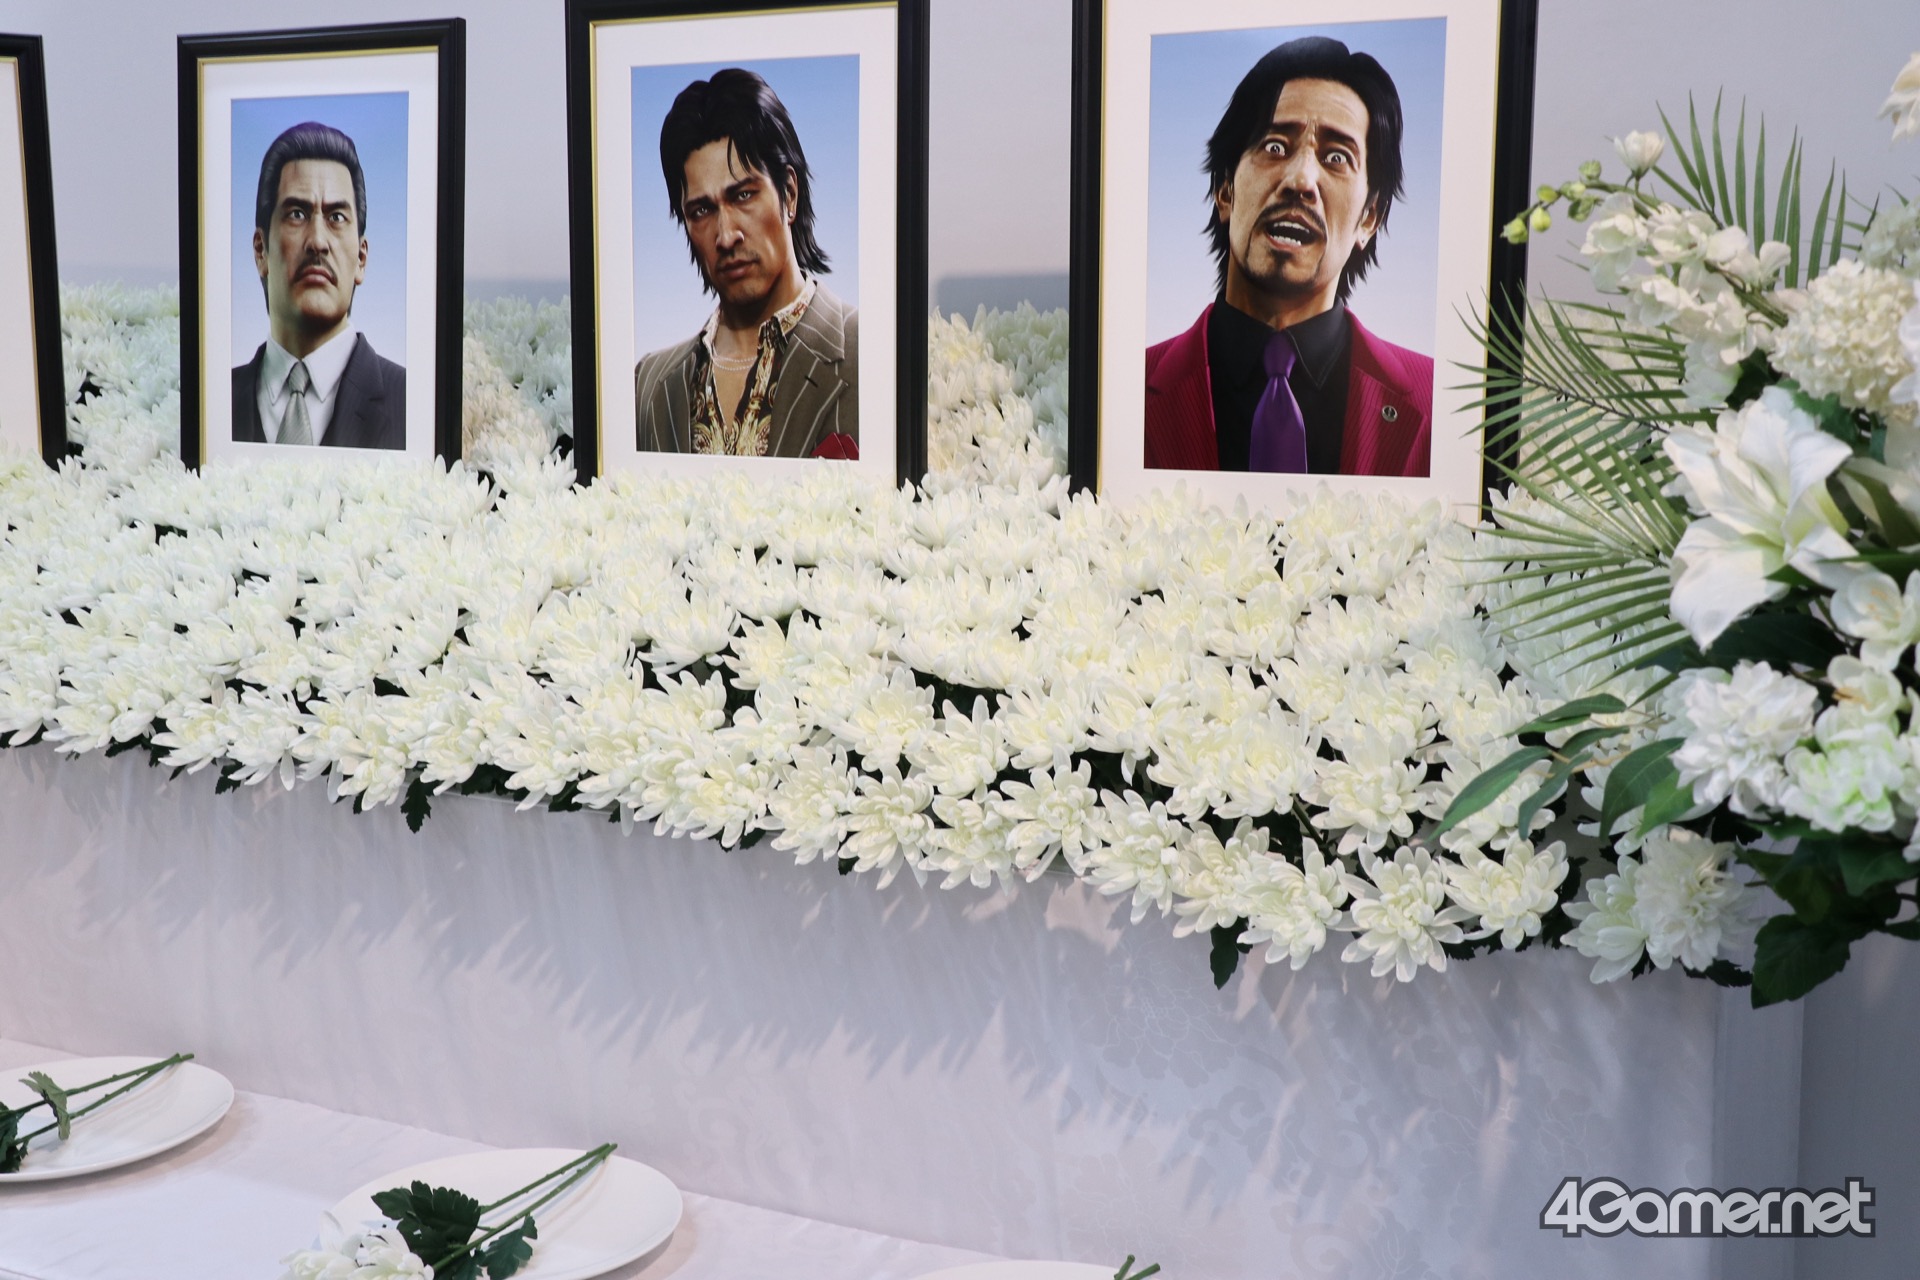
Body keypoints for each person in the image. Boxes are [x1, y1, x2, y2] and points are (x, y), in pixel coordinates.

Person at [1145, 36, 1432, 477]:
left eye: (1336, 157)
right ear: (1225, 189)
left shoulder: (1439, 402)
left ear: (1370, 217)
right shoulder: (1125, 390)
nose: (1301, 180)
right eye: (1276, 147)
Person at [636, 68, 858, 459]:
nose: (725, 236)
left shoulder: (871, 353)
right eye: (702, 210)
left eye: (743, 196)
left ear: (789, 194)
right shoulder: (647, 386)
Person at [233, 121, 405, 450]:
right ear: (260, 250)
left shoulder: (412, 402)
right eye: (297, 214)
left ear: (361, 258)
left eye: (336, 217)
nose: (318, 242)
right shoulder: (214, 400)